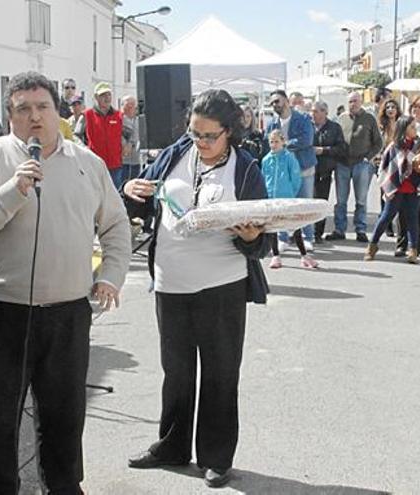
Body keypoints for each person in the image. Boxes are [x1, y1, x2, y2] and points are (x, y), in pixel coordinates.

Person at [0, 71, 130, 494]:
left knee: (64, 422)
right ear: (9, 115)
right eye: (23, 109)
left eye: (42, 107)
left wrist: (111, 275)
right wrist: (12, 191)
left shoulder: (88, 163)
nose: (34, 117)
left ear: (58, 111)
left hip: (67, 315)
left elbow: (117, 227)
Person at [123, 89, 270, 489]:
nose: (200, 143)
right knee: (177, 372)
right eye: (194, 134)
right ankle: (171, 446)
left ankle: (216, 457)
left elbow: (263, 242)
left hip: (222, 285)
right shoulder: (175, 154)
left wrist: (252, 235)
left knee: (221, 374)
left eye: (209, 136)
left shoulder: (246, 170)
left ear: (230, 132)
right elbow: (146, 199)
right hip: (171, 283)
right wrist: (132, 193)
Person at [364, 116, 420, 264]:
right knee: (386, 216)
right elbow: (384, 168)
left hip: (412, 187)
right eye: (412, 127)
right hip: (395, 188)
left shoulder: (417, 145)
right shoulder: (393, 147)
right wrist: (385, 187)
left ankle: (413, 249)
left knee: (412, 219)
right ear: (403, 129)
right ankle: (372, 245)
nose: (414, 130)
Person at [266, 89, 317, 250]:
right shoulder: (272, 123)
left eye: (277, 101)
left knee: (305, 204)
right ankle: (283, 238)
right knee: (283, 204)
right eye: (272, 103)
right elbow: (269, 143)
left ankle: (308, 237)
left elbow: (307, 140)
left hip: (304, 168)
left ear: (287, 101)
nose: (275, 105)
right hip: (282, 172)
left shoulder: (303, 119)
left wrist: (285, 144)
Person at [331, 90, 382, 242]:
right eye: (350, 102)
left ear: (361, 102)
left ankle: (360, 229)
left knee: (361, 199)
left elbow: (378, 142)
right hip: (343, 164)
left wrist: (368, 157)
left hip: (361, 164)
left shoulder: (369, 119)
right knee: (340, 200)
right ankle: (339, 229)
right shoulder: (341, 119)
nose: (353, 104)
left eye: (355, 101)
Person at [263, 129, 317, 269]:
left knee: (295, 227)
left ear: (283, 142)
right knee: (273, 228)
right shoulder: (266, 160)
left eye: (276, 141)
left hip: (286, 198)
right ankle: (276, 256)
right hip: (271, 199)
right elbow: (264, 178)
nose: (273, 144)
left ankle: (304, 256)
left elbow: (295, 179)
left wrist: (289, 193)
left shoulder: (289, 158)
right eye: (271, 142)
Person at [397, 96, 420, 257]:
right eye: (414, 106)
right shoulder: (405, 125)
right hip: (405, 174)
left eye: (419, 107)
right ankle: (402, 244)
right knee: (402, 212)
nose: (415, 110)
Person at [311, 100, 347, 242]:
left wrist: (323, 150)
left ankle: (317, 233)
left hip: (324, 171)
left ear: (324, 112)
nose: (312, 114)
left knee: (320, 202)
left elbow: (341, 148)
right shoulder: (307, 126)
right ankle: (304, 233)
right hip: (307, 170)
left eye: (315, 111)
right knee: (306, 202)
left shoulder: (334, 128)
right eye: (312, 111)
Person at [81, 82, 124, 188]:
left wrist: (128, 144)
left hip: (115, 165)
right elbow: (76, 136)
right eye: (103, 95)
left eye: (108, 94)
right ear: (96, 97)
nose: (107, 98)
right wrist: (84, 149)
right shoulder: (87, 115)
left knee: (115, 195)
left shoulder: (119, 115)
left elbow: (128, 133)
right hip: (94, 164)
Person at [121, 94, 141, 182]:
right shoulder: (119, 119)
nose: (131, 106)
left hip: (136, 161)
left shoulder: (139, 120)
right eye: (128, 104)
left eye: (133, 104)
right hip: (122, 163)